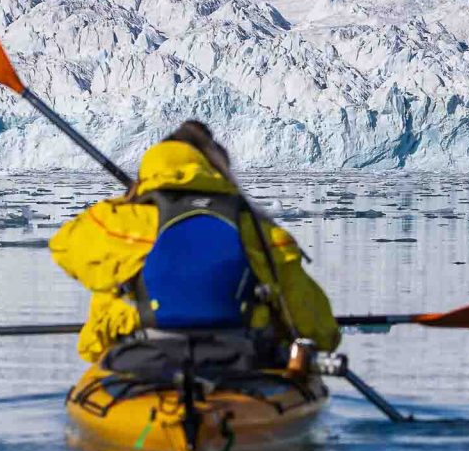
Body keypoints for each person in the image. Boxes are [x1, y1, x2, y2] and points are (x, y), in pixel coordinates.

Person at [48, 121, 338, 379]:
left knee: (116, 290)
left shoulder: (123, 224)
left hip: (142, 361)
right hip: (242, 364)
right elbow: (320, 331)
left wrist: (127, 203)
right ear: (217, 169)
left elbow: (63, 245)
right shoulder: (261, 232)